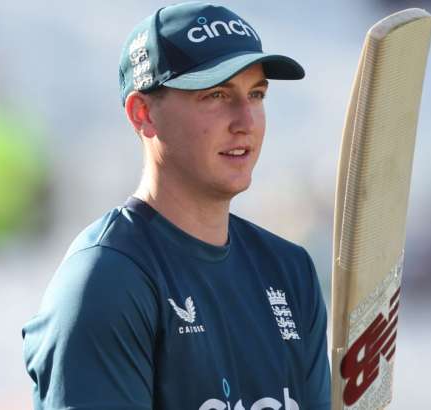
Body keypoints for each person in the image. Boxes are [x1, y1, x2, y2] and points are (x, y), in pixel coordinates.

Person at [22, 2, 331, 409]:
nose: (246, 120)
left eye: (256, 94)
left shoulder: (290, 272)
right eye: (216, 94)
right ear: (142, 113)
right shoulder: (105, 283)